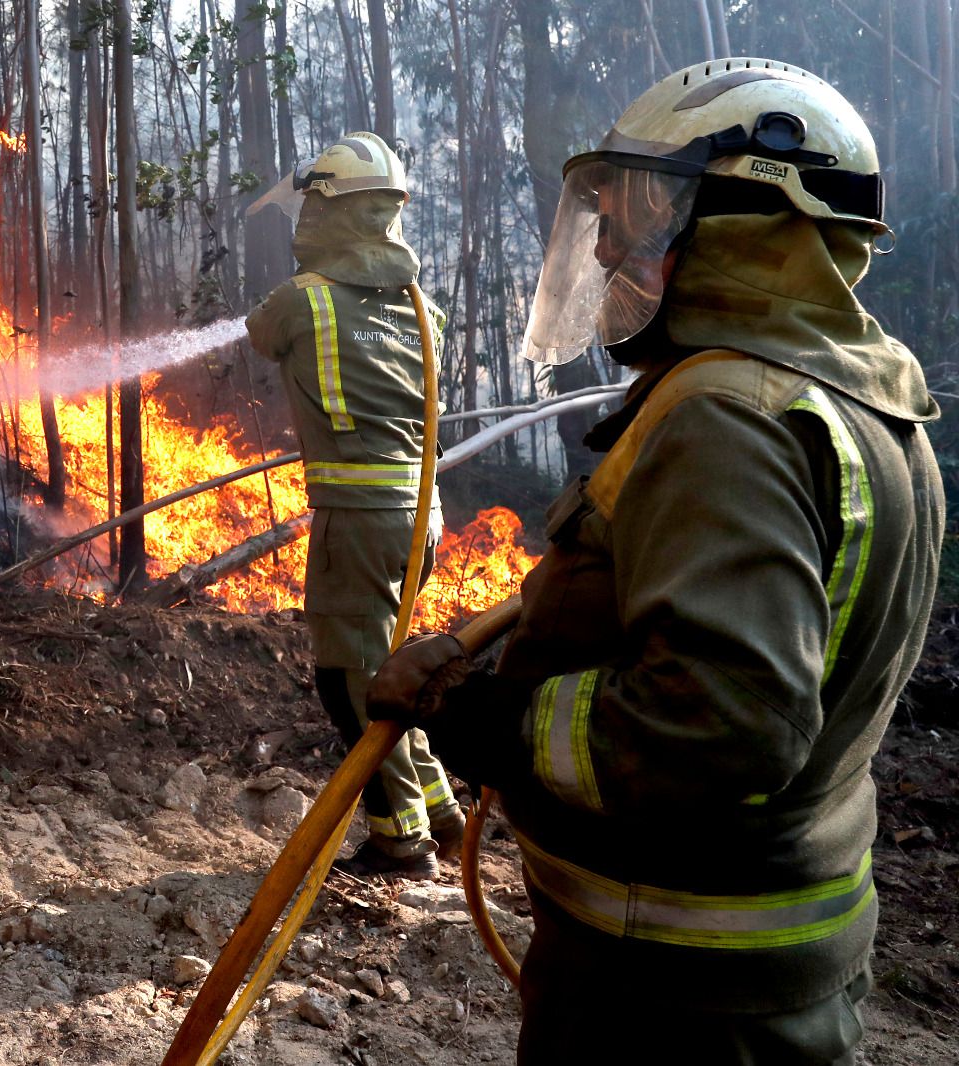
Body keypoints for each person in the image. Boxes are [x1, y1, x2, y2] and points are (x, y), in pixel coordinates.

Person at [368, 59, 944, 1063]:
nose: (603, 239)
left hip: (669, 999)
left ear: (746, 228)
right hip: (750, 974)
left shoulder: (724, 419)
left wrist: (473, 714)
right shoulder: (859, 395)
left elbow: (716, 724)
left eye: (642, 206)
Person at [244, 131, 462, 881]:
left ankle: (402, 842)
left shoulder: (303, 300)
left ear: (327, 212)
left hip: (361, 521)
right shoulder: (421, 304)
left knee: (350, 681)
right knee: (390, 665)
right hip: (421, 516)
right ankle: (438, 809)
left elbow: (261, 334)